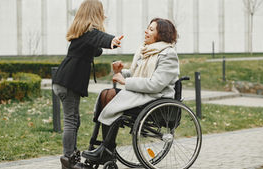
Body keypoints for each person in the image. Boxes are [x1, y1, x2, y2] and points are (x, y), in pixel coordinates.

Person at [81, 18, 179, 164]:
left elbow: (156, 84)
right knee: (105, 94)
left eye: (151, 30)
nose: (146, 31)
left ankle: (107, 149)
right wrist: (121, 72)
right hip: (142, 95)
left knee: (110, 95)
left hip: (155, 98)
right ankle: (104, 147)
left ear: (162, 34)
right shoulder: (146, 50)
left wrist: (125, 81)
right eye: (147, 28)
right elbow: (136, 74)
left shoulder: (168, 54)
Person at [52, 0, 123, 168]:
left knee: (74, 120)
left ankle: (71, 157)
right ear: (95, 14)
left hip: (63, 82)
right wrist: (111, 39)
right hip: (68, 83)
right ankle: (68, 159)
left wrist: (106, 42)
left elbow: (96, 49)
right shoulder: (89, 32)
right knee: (71, 121)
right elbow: (98, 37)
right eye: (101, 12)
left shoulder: (82, 34)